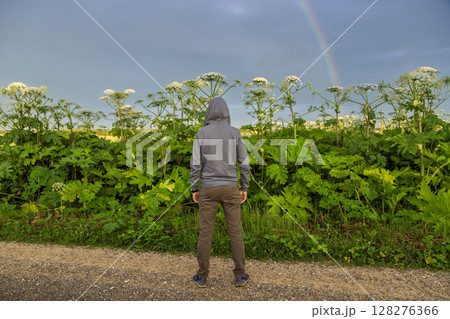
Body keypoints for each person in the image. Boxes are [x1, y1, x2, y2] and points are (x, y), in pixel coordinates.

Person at [190, 96, 251, 288]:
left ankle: (202, 276)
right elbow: (245, 163)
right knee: (235, 231)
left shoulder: (202, 133)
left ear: (209, 112)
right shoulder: (234, 133)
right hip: (231, 187)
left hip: (208, 188)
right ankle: (240, 275)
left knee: (205, 232)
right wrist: (244, 187)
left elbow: (195, 164)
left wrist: (194, 187)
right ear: (226, 112)